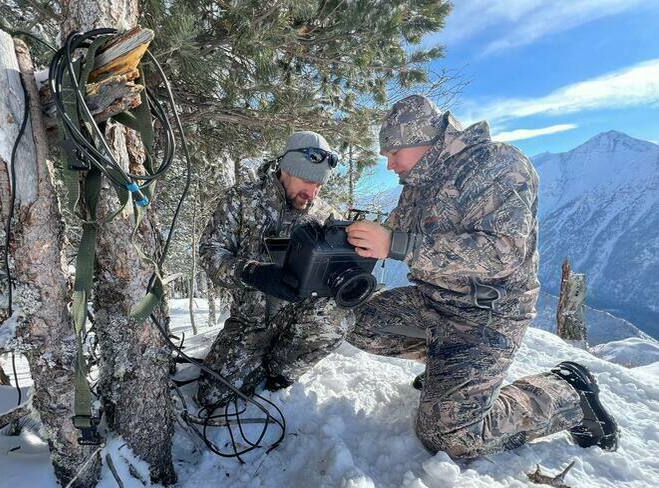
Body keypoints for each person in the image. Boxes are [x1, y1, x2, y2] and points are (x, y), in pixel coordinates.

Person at [345, 95, 619, 458]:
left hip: (486, 314)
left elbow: (502, 252)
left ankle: (567, 394)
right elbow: (392, 233)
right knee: (356, 323)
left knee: (449, 437)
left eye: (393, 151)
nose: (389, 163)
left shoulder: (498, 165)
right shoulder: (418, 184)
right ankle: (450, 372)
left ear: (423, 139)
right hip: (433, 301)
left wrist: (399, 245)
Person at [196, 131, 355, 408]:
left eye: (319, 185)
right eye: (307, 181)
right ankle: (256, 359)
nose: (312, 193)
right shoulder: (243, 200)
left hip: (300, 317)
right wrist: (251, 273)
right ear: (286, 169)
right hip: (250, 322)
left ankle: (279, 372)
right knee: (211, 398)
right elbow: (211, 253)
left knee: (339, 317)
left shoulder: (325, 214)